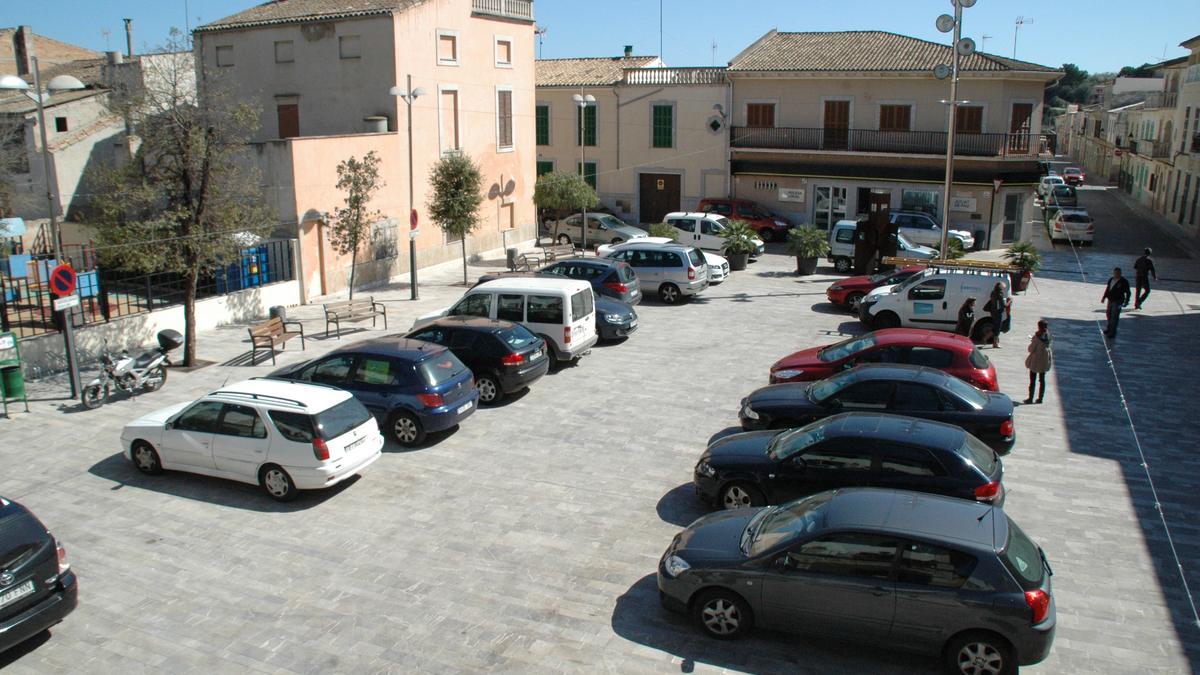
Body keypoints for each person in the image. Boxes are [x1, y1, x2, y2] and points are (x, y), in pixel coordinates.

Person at [1024, 320, 1052, 404]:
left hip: (1036, 360)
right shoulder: (1048, 335)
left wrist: (1033, 340)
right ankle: (1040, 398)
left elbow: (1031, 349)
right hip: (1044, 359)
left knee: (1032, 380)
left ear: (1039, 327)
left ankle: (1030, 398)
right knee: (1042, 379)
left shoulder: (1037, 337)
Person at [1101, 267, 1131, 338]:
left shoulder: (1124, 281)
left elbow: (1128, 292)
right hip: (1110, 300)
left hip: (1118, 301)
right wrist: (1104, 297)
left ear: (1120, 273)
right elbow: (1108, 289)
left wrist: (1126, 301)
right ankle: (1109, 328)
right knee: (1109, 314)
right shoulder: (1111, 279)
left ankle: (1112, 332)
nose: (1116, 274)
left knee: (1114, 316)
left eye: (1118, 273)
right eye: (1115, 273)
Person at [984, 282, 1006, 348]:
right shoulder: (999, 294)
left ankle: (987, 338)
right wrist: (1009, 301)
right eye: (1003, 287)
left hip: (993, 312)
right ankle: (994, 343)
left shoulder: (993, 293)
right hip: (998, 312)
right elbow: (1003, 305)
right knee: (997, 328)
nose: (1004, 288)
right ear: (1001, 287)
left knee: (996, 327)